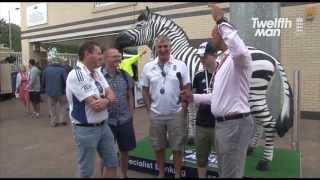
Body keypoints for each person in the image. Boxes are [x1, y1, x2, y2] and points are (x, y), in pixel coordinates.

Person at [181, 4, 253, 178]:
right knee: (226, 171)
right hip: (224, 125)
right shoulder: (224, 61)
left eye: (214, 34)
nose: (211, 38)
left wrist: (221, 21)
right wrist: (194, 97)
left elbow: (240, 49)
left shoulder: (238, 58)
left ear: (222, 35)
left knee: (231, 173)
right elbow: (217, 97)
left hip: (234, 125)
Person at [65, 41, 118, 178]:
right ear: (88, 54)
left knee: (112, 163)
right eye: (99, 53)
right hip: (85, 129)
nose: (102, 56)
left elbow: (112, 94)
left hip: (104, 126)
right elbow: (96, 106)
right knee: (86, 172)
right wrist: (108, 100)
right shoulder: (77, 74)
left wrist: (105, 100)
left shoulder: (97, 73)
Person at [141, 35, 191, 178]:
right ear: (156, 49)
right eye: (160, 47)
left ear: (170, 47)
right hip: (156, 113)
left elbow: (187, 87)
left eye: (165, 46)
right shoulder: (148, 67)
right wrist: (149, 109)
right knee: (158, 147)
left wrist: (184, 107)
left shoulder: (181, 65)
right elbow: (144, 90)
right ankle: (161, 173)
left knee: (177, 147)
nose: (163, 49)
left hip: (176, 113)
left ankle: (177, 174)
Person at [99, 47, 136, 178]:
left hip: (124, 120)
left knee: (124, 151)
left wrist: (130, 113)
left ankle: (123, 175)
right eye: (114, 56)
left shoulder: (125, 75)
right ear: (105, 58)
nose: (118, 58)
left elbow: (130, 95)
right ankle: (102, 175)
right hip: (107, 122)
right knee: (106, 153)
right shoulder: (98, 77)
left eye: (119, 56)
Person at [193, 41, 220, 178]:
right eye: (200, 57)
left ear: (214, 55)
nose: (201, 59)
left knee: (222, 160)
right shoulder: (198, 76)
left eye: (204, 56)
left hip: (220, 125)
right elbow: (196, 101)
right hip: (201, 125)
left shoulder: (223, 73)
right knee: (201, 159)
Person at [42, 48, 68, 127]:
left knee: (52, 107)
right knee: (63, 105)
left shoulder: (46, 70)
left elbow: (43, 81)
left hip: (50, 92)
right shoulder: (62, 70)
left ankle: (53, 122)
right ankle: (62, 120)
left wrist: (44, 89)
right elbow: (66, 81)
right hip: (61, 92)